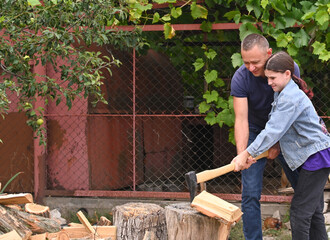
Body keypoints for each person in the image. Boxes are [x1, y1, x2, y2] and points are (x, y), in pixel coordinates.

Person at [232, 51, 330, 240]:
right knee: (313, 213)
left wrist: (246, 153)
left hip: (317, 157)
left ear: (287, 73)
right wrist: (250, 153)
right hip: (313, 156)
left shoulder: (290, 98)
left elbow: (273, 130)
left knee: (299, 213)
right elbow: (274, 128)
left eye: (272, 78)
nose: (269, 83)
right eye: (267, 78)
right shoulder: (282, 92)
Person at [230, 33, 300, 240]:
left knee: (302, 188)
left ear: (269, 54)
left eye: (255, 62)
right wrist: (243, 155)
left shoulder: (289, 69)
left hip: (285, 128)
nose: (250, 68)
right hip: (254, 131)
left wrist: (276, 142)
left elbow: (290, 112)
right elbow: (241, 119)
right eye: (246, 62)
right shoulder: (240, 78)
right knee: (250, 193)